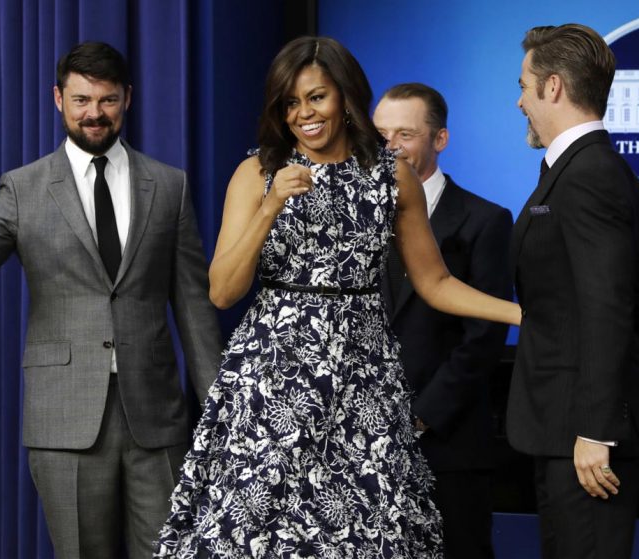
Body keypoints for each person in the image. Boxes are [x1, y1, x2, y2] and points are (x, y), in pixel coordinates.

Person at [154, 37, 521, 558]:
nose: (303, 114)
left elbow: (435, 283)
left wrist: (524, 313)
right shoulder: (256, 173)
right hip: (274, 382)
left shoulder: (392, 177)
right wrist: (270, 206)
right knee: (260, 534)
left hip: (363, 383)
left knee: (368, 535)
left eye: (317, 97)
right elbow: (222, 290)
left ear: (347, 97)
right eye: (290, 102)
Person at [0, 42, 222, 559]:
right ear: (58, 99)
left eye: (108, 100)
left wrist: (221, 413)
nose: (94, 113)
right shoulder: (22, 188)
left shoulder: (169, 186)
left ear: (128, 99)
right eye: (81, 100)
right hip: (64, 417)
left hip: (157, 417)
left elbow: (193, 306)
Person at [508, 23, 639, 559]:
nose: (519, 100)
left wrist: (596, 432)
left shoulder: (589, 173)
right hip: (569, 431)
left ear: (552, 87)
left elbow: (609, 307)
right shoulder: (595, 170)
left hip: (585, 438)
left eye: (523, 86)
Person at [373, 83, 512, 559]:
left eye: (405, 134)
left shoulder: (485, 220)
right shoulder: (352, 218)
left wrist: (417, 418)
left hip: (447, 443)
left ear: (440, 139)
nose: (390, 146)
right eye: (381, 133)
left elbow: (484, 338)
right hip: (362, 444)